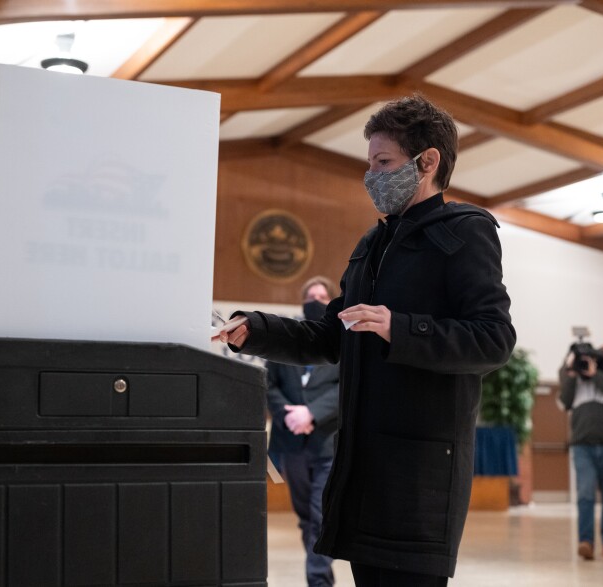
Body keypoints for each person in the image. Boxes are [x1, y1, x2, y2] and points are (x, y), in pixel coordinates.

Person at [217, 94, 515, 587]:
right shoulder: (371, 246)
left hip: (421, 478)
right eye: (369, 164)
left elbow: (493, 338)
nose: (372, 176)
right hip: (363, 470)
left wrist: (401, 326)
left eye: (384, 163)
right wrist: (255, 329)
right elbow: (329, 335)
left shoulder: (464, 233)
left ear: (428, 162)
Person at [267, 275, 340, 587]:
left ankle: (318, 580)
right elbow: (269, 385)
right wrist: (290, 415)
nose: (316, 300)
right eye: (311, 295)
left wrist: (312, 412)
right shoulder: (288, 338)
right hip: (292, 444)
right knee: (306, 519)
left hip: (328, 444)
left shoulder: (344, 341)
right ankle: (321, 574)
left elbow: (347, 386)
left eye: (323, 296)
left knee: (321, 517)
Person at [558, 345, 603, 560]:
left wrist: (596, 375)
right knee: (585, 494)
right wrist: (571, 371)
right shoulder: (578, 384)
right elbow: (564, 403)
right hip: (583, 447)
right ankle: (586, 541)